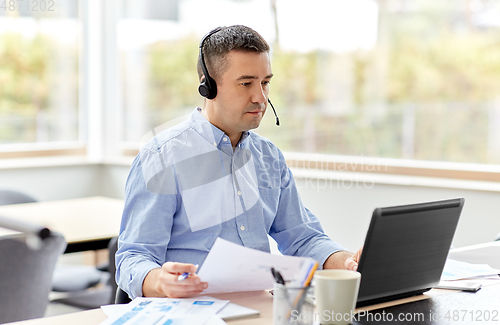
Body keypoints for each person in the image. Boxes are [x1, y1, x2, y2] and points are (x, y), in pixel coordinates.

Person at [116, 25, 362, 299]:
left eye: (265, 82)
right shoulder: (161, 157)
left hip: (261, 309)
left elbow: (303, 239)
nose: (260, 97)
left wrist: (350, 262)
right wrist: (160, 281)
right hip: (191, 311)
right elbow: (133, 258)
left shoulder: (268, 158)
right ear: (207, 86)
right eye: (246, 83)